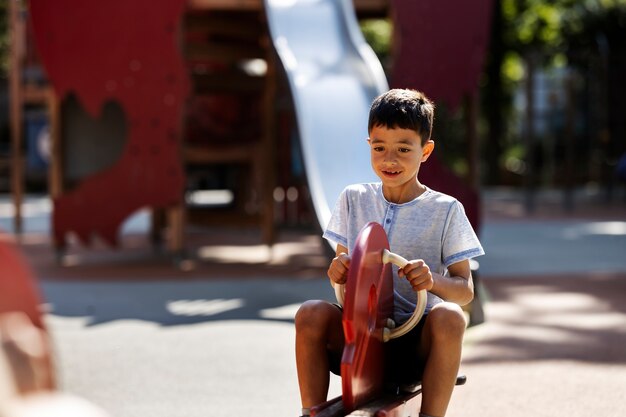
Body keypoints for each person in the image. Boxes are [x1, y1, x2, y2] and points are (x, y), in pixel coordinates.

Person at [294, 89, 484, 417]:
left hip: (417, 338)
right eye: (379, 147)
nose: (389, 160)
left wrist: (433, 281)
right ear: (368, 145)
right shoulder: (353, 199)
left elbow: (465, 290)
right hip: (361, 333)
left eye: (403, 149)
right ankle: (310, 411)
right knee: (310, 312)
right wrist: (338, 270)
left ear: (425, 151)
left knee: (452, 316)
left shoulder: (446, 209)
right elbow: (342, 278)